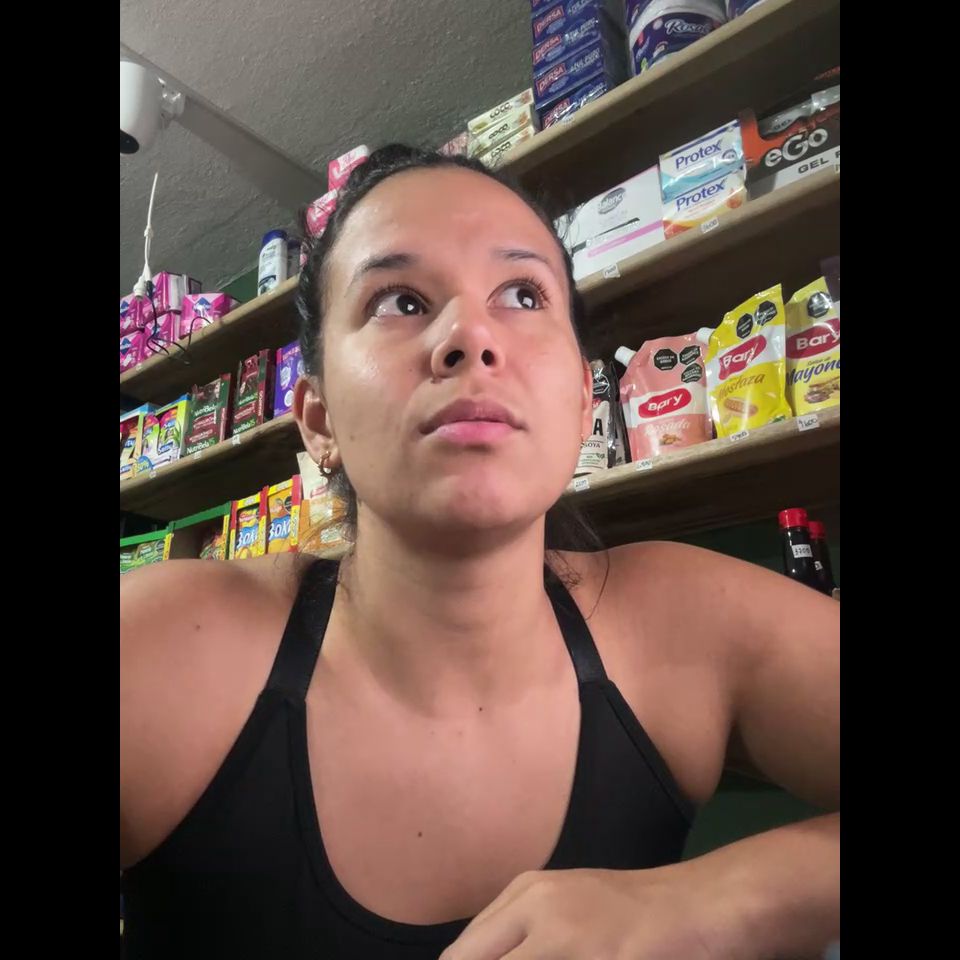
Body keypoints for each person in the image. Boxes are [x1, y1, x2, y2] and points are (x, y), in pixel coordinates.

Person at [120, 145, 840, 959]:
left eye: (523, 294)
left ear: (582, 401)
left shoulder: (686, 621)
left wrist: (724, 901)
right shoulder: (159, 650)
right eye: (399, 301)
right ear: (319, 420)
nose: (469, 334)